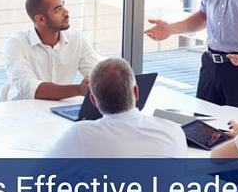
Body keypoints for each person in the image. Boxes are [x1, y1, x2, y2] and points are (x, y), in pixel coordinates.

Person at [45, 57, 187, 158]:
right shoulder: (174, 131)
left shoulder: (83, 134)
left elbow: (33, 182)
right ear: (136, 92)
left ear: (93, 100)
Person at [3, 0, 100, 101]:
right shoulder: (16, 43)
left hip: (62, 109)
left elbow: (97, 74)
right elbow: (30, 88)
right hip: (24, 111)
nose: (66, 12)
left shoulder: (77, 38)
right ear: (40, 19)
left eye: (63, 5)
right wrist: (78, 90)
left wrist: (96, 81)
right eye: (58, 9)